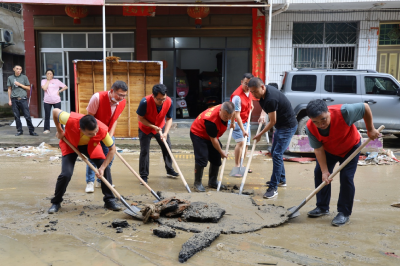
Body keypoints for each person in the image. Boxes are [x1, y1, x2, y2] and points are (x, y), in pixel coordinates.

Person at [305, 100, 379, 226]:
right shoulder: (310, 127)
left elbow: (365, 107)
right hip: (329, 150)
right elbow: (318, 149)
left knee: (346, 178)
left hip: (350, 147)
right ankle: (322, 207)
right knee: (320, 173)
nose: (320, 124)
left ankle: (344, 213)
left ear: (328, 112)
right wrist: (324, 171)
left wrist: (370, 129)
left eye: (323, 119)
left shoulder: (345, 112)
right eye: (316, 121)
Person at [48, 108, 121, 214]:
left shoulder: (102, 130)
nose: (95, 134)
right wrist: (60, 130)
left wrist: (102, 167)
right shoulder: (70, 119)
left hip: (91, 146)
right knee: (66, 174)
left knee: (105, 169)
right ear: (80, 129)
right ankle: (56, 202)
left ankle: (109, 200)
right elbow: (55, 111)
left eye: (96, 131)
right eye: (91, 133)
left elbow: (112, 150)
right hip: (70, 144)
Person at [248, 77, 298, 199]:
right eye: (251, 92)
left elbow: (272, 121)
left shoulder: (271, 98)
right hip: (281, 125)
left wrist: (260, 134)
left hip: (287, 126)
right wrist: (262, 115)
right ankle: (282, 180)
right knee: (275, 152)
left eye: (255, 91)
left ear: (262, 87)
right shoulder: (265, 94)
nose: (254, 94)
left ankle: (273, 188)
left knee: (276, 154)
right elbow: (267, 109)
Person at [85, 80, 128, 193]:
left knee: (110, 156)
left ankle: (101, 180)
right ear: (112, 91)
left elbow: (115, 119)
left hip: (108, 133)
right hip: (95, 131)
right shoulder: (97, 98)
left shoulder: (123, 102)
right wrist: (95, 133)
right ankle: (90, 182)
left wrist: (110, 134)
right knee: (93, 157)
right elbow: (90, 118)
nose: (121, 97)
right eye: (119, 94)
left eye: (124, 95)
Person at [137, 84, 179, 183]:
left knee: (167, 146)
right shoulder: (145, 102)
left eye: (163, 98)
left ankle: (169, 170)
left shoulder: (169, 101)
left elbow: (169, 119)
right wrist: (153, 127)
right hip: (145, 128)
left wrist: (165, 133)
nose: (162, 101)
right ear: (153, 96)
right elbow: (140, 118)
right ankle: (143, 176)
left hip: (160, 126)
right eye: (159, 99)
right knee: (145, 151)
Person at [190, 102, 235, 192]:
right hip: (199, 134)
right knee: (202, 156)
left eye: (229, 117)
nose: (227, 119)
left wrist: (232, 122)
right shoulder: (211, 121)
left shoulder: (229, 110)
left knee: (216, 156)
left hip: (211, 135)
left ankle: (212, 182)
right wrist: (222, 152)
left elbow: (234, 114)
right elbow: (214, 141)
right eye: (225, 116)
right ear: (220, 110)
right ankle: (197, 183)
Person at [229, 73, 254, 173]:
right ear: (241, 82)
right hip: (235, 121)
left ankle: (242, 165)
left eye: (249, 84)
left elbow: (250, 99)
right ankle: (237, 166)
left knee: (246, 144)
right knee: (241, 142)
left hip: (246, 120)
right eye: (245, 84)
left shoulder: (251, 90)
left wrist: (251, 105)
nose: (247, 87)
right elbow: (236, 115)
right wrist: (243, 130)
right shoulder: (237, 97)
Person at [7, 65, 38, 136]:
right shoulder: (10, 78)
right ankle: (19, 131)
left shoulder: (24, 77)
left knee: (27, 116)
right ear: (13, 69)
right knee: (16, 116)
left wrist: (20, 84)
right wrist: (9, 100)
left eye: (20, 69)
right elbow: (9, 89)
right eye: (17, 69)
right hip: (14, 99)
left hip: (23, 99)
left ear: (21, 70)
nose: (18, 70)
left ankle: (31, 131)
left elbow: (28, 88)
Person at [41, 69, 68, 134]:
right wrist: (48, 80)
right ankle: (47, 129)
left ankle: (60, 129)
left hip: (56, 100)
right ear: (46, 74)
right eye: (48, 73)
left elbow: (65, 87)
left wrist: (59, 91)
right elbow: (44, 88)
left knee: (59, 115)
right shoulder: (43, 81)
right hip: (47, 101)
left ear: (53, 75)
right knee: (47, 115)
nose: (49, 75)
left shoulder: (56, 81)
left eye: (50, 74)